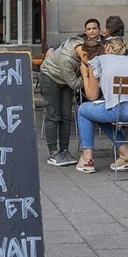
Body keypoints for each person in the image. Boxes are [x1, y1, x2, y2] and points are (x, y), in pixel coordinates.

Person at [75, 36, 128, 173]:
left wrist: (85, 75)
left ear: (107, 48)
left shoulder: (96, 61)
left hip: (125, 111)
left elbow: (92, 96)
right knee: (100, 112)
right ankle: (126, 156)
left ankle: (87, 159)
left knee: (84, 110)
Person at [39, 30, 84, 166]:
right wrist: (85, 74)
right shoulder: (67, 59)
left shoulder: (82, 46)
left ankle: (64, 150)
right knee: (53, 114)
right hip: (50, 76)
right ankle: (53, 153)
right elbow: (75, 84)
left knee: (66, 115)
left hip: (66, 78)